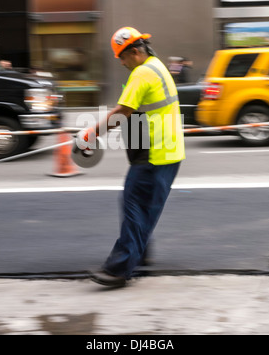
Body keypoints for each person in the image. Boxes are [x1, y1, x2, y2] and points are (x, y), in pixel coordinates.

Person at [76, 27, 186, 288]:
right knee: (144, 207)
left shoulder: (142, 73)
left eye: (122, 58)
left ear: (134, 52)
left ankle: (118, 269)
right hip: (168, 152)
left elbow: (121, 112)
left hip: (153, 154)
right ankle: (139, 253)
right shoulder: (158, 66)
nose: (122, 63)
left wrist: (90, 134)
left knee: (134, 205)